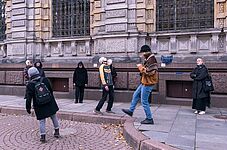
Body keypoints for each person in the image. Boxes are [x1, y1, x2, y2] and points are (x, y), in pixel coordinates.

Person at [122, 45, 158, 124]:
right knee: (135, 95)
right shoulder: (148, 59)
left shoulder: (152, 59)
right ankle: (131, 110)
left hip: (148, 83)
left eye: (142, 53)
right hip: (144, 82)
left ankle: (149, 118)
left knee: (144, 101)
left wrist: (141, 68)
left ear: (146, 52)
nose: (141, 54)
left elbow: (151, 72)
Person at [25, 67, 60, 143]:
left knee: (42, 121)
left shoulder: (30, 84)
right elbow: (51, 90)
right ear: (37, 72)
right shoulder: (45, 80)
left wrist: (28, 108)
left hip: (39, 104)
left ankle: (43, 137)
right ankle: (57, 132)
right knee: (54, 116)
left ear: (30, 75)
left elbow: (28, 98)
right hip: (49, 102)